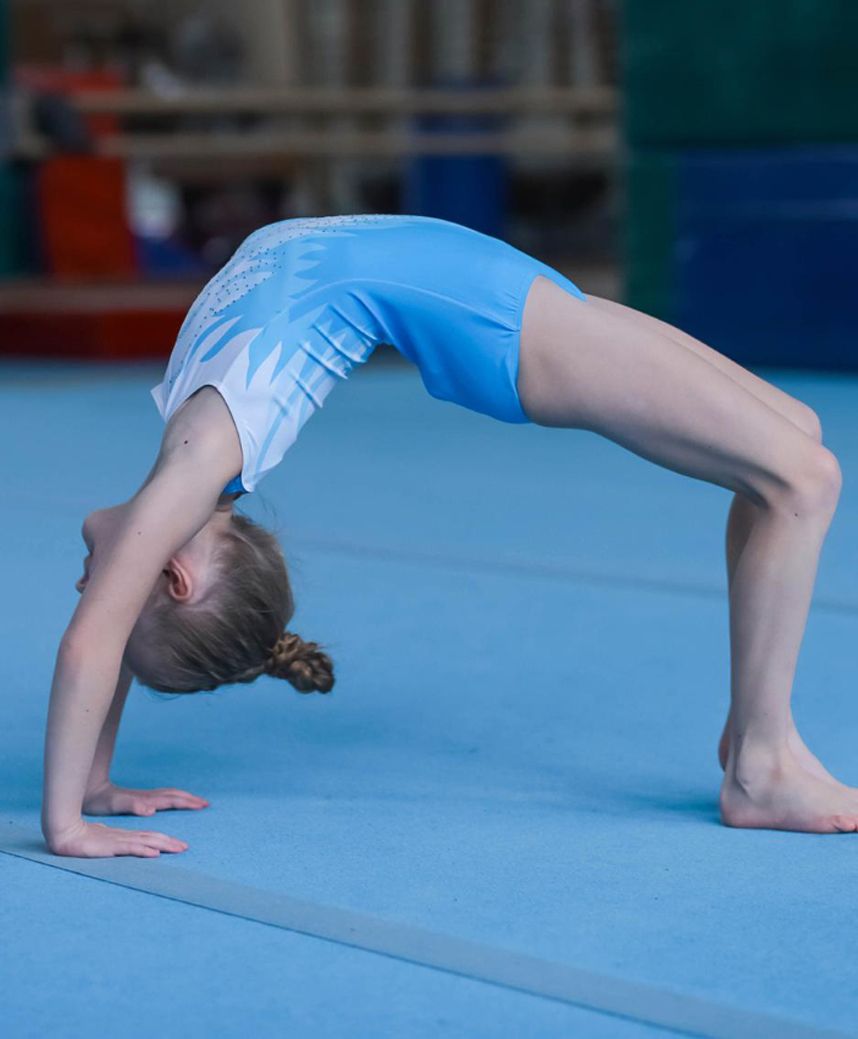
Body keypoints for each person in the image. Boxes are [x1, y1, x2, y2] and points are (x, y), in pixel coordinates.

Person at [42, 213, 849, 860]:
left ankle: (753, 731)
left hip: (503, 292)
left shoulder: (190, 466)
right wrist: (77, 807)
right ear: (175, 577)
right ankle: (761, 764)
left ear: (174, 578)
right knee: (801, 480)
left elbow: (97, 641)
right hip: (500, 327)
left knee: (793, 438)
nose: (94, 588)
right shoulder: (194, 467)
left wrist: (80, 804)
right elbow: (103, 637)